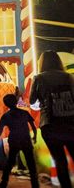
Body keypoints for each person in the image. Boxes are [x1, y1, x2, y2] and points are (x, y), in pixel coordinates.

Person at [30, 50, 74, 188]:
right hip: (70, 123)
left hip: (49, 124)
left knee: (60, 160)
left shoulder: (38, 78)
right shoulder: (69, 77)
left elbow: (32, 102)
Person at [0, 94, 39, 188]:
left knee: (10, 161)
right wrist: (35, 136)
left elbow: (0, 128)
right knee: (30, 162)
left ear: (6, 104)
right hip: (25, 139)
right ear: (16, 101)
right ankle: (35, 184)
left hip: (14, 139)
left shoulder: (6, 116)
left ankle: (4, 181)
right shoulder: (25, 113)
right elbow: (33, 126)